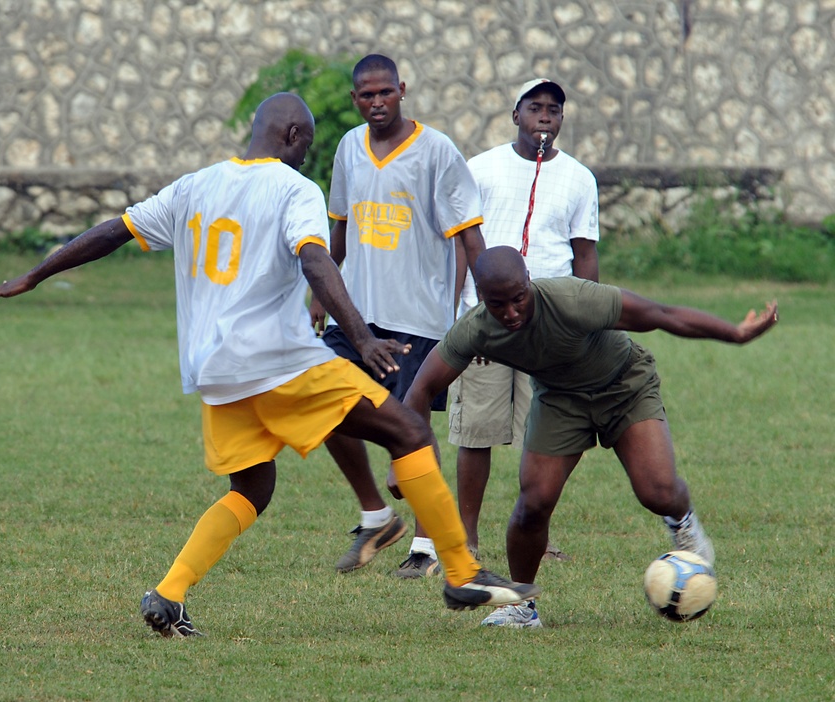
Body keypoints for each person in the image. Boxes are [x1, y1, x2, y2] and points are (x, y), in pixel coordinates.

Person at [0, 93, 537, 637]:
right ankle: (461, 574)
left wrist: (35, 274)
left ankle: (168, 594)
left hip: (215, 371)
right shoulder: (294, 188)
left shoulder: (194, 186)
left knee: (253, 487)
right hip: (278, 359)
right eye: (307, 145)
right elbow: (316, 259)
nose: (306, 156)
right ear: (292, 136)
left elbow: (111, 233)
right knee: (410, 431)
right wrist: (362, 339)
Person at [403, 245, 779, 628]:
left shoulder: (572, 299)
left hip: (624, 385)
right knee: (533, 503)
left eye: (518, 299)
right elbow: (420, 390)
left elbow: (660, 314)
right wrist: (406, 461)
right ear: (481, 296)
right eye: (498, 304)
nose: (511, 313)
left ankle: (682, 522)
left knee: (657, 492)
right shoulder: (475, 329)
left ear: (528, 282)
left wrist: (734, 334)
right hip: (561, 400)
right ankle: (521, 605)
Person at [309, 54, 487, 578]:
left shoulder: (436, 151)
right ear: (355, 100)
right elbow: (338, 229)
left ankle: (428, 547)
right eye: (366, 95)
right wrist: (321, 291)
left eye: (385, 92)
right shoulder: (348, 149)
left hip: (420, 319)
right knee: (318, 399)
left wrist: (482, 311)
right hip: (356, 319)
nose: (377, 102)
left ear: (402, 90)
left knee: (413, 428)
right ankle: (376, 515)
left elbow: (469, 236)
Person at [440, 78, 600, 574]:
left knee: (548, 433)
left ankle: (538, 534)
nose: (544, 117)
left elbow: (585, 257)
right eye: (535, 108)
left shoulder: (578, 178)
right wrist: (460, 313)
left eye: (554, 109)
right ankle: (467, 537)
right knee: (476, 431)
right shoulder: (481, 169)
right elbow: (461, 248)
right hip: (486, 319)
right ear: (516, 116)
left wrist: (587, 322)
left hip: (549, 325)